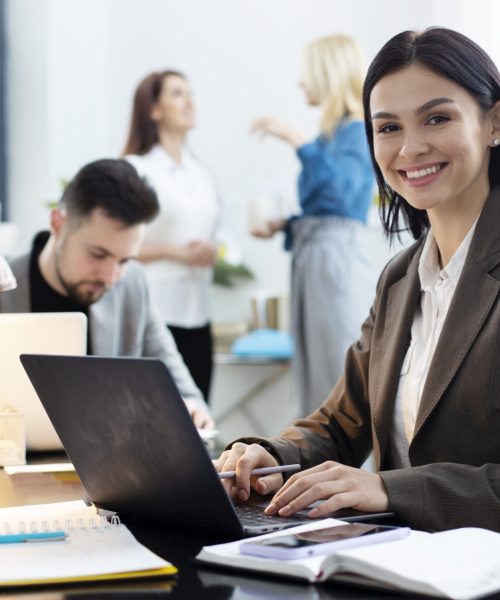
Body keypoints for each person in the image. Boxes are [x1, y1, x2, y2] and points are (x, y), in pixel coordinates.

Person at [216, 27, 500, 533]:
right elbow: (341, 422)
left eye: (437, 118)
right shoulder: (400, 277)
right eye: (387, 127)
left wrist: (390, 488)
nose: (410, 148)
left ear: (494, 122)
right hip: (395, 561)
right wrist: (267, 456)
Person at [0, 158, 213, 429]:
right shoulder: (4, 285)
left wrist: (191, 411)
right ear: (58, 224)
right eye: (98, 254)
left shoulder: (132, 285)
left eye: (124, 260)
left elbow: (189, 394)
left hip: (107, 468)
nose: (111, 277)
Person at [251, 35, 376, 415]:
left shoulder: (356, 129)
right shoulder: (331, 135)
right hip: (315, 257)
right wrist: (286, 225)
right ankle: (316, 468)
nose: (301, 82)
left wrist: (296, 140)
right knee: (313, 374)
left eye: (307, 73)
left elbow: (341, 197)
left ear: (327, 73)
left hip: (332, 262)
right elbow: (328, 207)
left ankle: (344, 472)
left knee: (334, 375)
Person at [123, 70, 228, 403]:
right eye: (177, 94)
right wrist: (176, 252)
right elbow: (118, 243)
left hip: (198, 314)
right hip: (156, 312)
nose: (189, 101)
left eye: (190, 93)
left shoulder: (202, 173)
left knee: (198, 421)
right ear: (154, 110)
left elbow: (219, 232)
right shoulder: (136, 169)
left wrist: (214, 248)